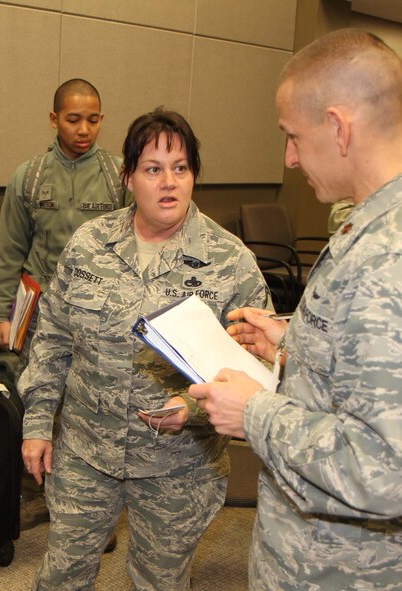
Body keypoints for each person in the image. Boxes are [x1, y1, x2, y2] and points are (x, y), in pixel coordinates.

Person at [19, 107, 271, 590]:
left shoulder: (230, 262)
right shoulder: (89, 244)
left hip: (178, 466)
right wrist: (36, 424)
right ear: (128, 177)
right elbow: (51, 338)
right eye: (153, 169)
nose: (169, 182)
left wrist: (192, 407)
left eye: (181, 168)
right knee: (61, 577)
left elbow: (258, 366)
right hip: (86, 453)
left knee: (159, 582)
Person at [188, 29, 402, 590]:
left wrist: (252, 411)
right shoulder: (373, 225)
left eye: (292, 136)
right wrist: (291, 346)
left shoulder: (388, 256)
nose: (288, 156)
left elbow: (386, 470)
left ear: (337, 126)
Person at [0, 78, 127, 530]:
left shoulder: (119, 176)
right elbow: (8, 249)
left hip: (99, 310)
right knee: (37, 398)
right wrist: (0, 315)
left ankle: (92, 514)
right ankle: (36, 495)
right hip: (40, 308)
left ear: (102, 120)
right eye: (72, 119)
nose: (83, 129)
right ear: (54, 119)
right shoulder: (28, 177)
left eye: (92, 119)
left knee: (91, 409)